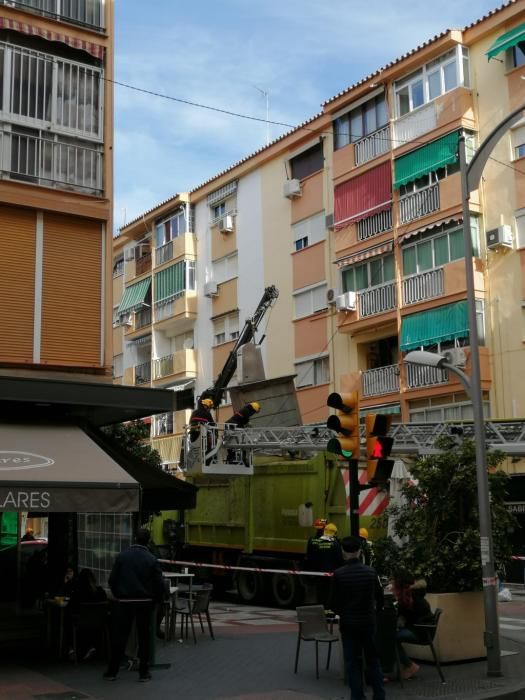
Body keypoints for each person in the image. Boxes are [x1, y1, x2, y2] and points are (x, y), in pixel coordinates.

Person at [104, 528, 165, 683]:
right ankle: (143, 672)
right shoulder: (151, 559)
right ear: (148, 540)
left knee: (120, 637)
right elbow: (159, 584)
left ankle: (112, 671)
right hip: (144, 603)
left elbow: (112, 580)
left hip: (124, 603)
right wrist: (155, 600)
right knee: (144, 637)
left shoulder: (122, 556)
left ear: (135, 538)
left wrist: (119, 595)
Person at [329, 536, 385, 700]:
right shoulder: (371, 572)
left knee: (353, 663)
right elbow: (380, 598)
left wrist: (344, 612)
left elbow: (332, 603)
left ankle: (358, 696)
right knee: (373, 661)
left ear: (343, 552)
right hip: (368, 623)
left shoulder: (338, 575)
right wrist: (374, 612)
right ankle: (379, 695)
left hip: (349, 625)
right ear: (360, 551)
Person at [392, 571, 433, 680]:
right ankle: (404, 666)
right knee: (391, 636)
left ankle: (409, 666)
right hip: (424, 630)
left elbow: (401, 617)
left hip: (420, 631)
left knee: (390, 639)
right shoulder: (415, 593)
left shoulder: (409, 597)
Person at [67, 568, 107, 661]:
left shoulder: (78, 592)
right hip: (99, 623)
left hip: (80, 622)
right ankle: (92, 647)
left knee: (67, 620)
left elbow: (70, 607)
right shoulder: (100, 591)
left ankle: (71, 648)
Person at [308, 522, 344, 607]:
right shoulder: (335, 544)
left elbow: (314, 558)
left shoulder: (318, 543)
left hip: (320, 574)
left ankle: (321, 608)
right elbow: (339, 559)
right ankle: (329, 609)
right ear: (334, 533)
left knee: (321, 592)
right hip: (332, 574)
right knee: (330, 593)